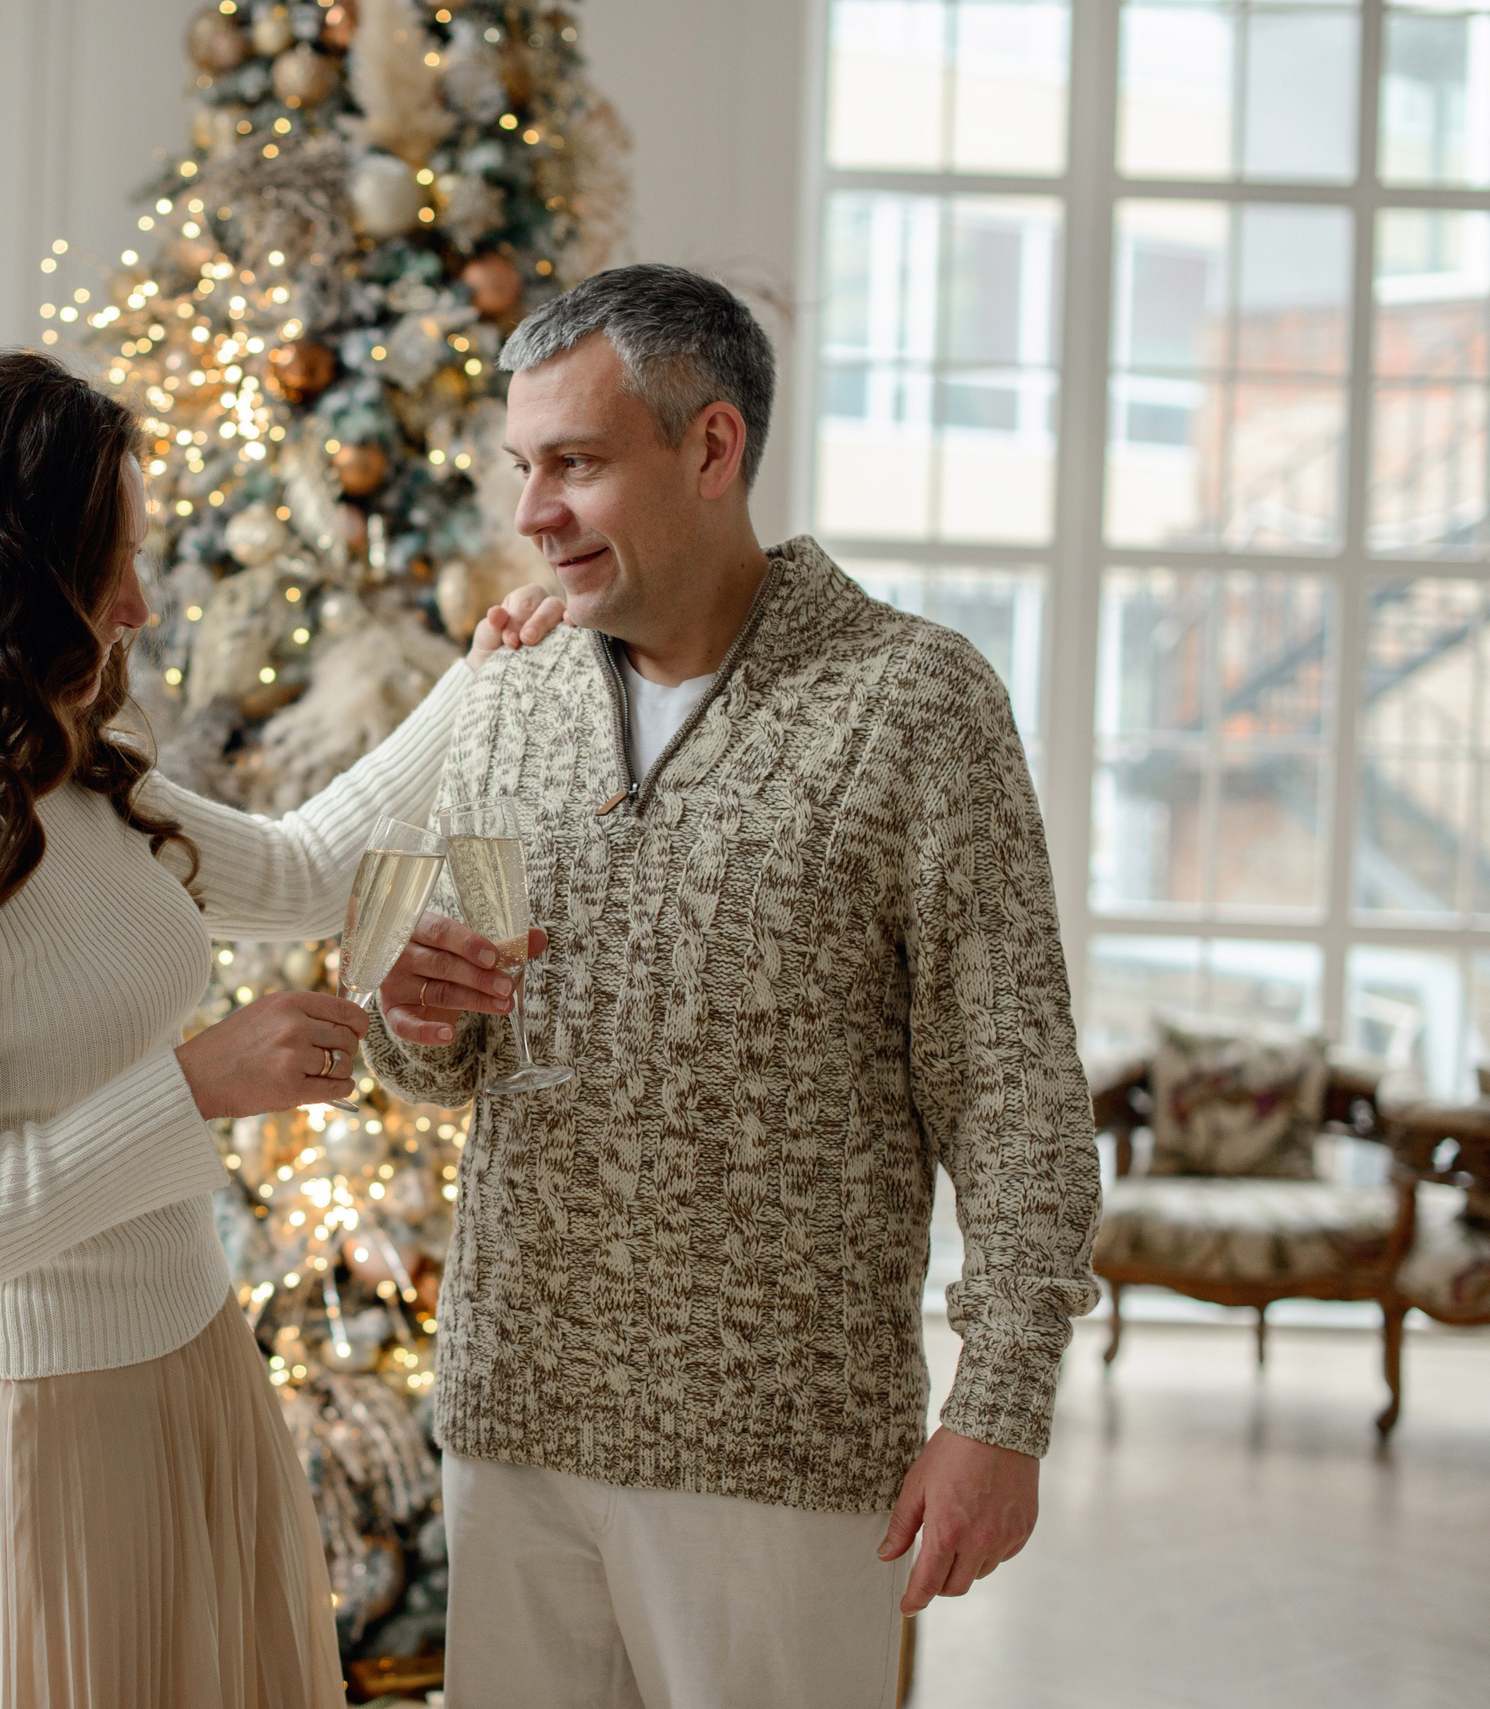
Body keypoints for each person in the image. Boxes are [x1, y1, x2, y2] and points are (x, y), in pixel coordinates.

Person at [0, 350, 563, 1709]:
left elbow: (309, 865)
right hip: (30, 1431)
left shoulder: (63, 777)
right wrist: (190, 1086)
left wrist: (483, 682)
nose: (139, 605)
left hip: (189, 1371)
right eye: (109, 567)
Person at [364, 264, 1103, 1709]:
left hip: (779, 1451)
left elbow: (1015, 1090)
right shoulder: (508, 691)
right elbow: (448, 1061)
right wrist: (415, 1018)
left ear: (712, 448)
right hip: (516, 1425)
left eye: (574, 464)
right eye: (524, 467)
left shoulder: (912, 702)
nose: (531, 515)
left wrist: (1001, 1406)